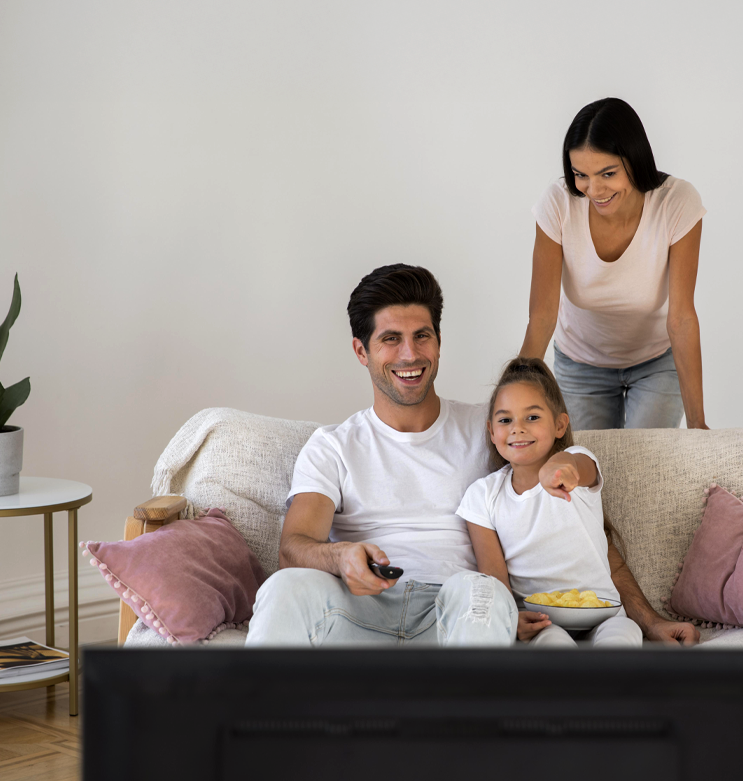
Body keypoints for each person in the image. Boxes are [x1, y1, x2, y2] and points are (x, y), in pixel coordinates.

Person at [246, 262, 696, 647]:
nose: (410, 354)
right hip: (357, 609)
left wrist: (649, 619)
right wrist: (339, 556)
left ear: (439, 344)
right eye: (390, 339)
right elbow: (294, 548)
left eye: (422, 335)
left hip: (461, 609)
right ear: (361, 351)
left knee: (479, 591)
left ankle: (464, 735)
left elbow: (583, 528)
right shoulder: (333, 446)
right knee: (286, 586)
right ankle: (254, 737)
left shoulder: (498, 429)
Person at [520, 97, 708, 431]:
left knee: (645, 466)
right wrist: (517, 395)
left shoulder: (676, 202)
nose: (594, 190)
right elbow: (543, 316)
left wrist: (698, 425)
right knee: (589, 466)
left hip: (656, 363)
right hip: (580, 363)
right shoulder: (559, 203)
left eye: (608, 173)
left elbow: (681, 318)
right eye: (581, 175)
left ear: (634, 160)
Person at [458, 357, 643, 648]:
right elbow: (494, 575)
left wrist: (560, 467)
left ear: (559, 425)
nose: (517, 428)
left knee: (623, 639)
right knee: (553, 648)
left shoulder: (579, 465)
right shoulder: (482, 496)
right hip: (542, 621)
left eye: (532, 417)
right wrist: (511, 618)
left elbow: (576, 465)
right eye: (505, 420)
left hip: (604, 613)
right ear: (492, 432)